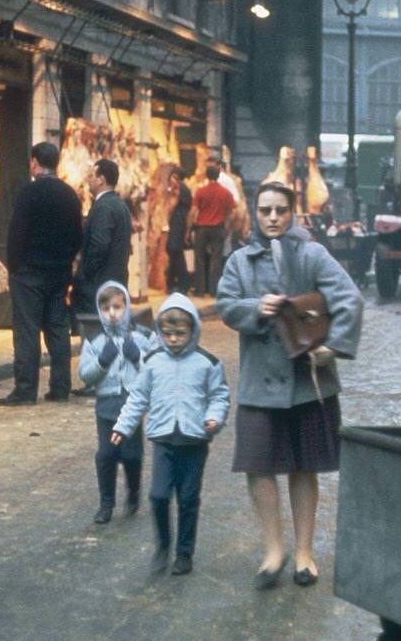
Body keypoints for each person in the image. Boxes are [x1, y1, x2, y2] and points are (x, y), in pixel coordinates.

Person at [216, 182, 363, 589]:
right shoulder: (240, 263)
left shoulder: (312, 254)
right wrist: (253, 308)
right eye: (265, 210)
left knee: (304, 466)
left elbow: (349, 299)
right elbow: (225, 304)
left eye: (281, 210)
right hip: (260, 381)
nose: (273, 218)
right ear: (255, 213)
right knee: (258, 466)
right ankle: (273, 550)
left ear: (292, 213)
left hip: (306, 381)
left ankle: (304, 554)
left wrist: (334, 347)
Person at [111, 294, 230, 577]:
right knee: (159, 495)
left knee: (188, 498)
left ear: (193, 331)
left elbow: (219, 396)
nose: (174, 339)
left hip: (194, 440)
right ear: (160, 333)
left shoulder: (207, 362)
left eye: (180, 333)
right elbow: (138, 397)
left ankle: (184, 553)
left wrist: (214, 418)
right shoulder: (152, 362)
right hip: (163, 438)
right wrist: (122, 426)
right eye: (167, 334)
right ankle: (163, 545)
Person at [0, 142, 83, 406]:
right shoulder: (70, 195)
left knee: (27, 330)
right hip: (58, 273)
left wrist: (15, 267)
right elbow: (77, 234)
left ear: (35, 162)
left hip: (29, 274)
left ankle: (25, 389)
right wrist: (67, 262)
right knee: (58, 329)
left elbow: (17, 233)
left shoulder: (29, 193)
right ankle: (60, 387)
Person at [77, 281, 156, 525]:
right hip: (106, 405)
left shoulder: (142, 337)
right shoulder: (94, 340)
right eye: (106, 308)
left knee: (132, 455)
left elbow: (156, 370)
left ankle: (133, 493)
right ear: (100, 311)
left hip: (132, 404)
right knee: (106, 455)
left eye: (117, 307)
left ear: (127, 307)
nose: (112, 313)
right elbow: (84, 374)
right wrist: (101, 362)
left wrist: (137, 358)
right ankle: (106, 503)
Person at [73, 158, 133, 322]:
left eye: (92, 175)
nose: (89, 180)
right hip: (115, 280)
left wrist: (86, 273)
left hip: (99, 285)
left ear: (101, 180)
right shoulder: (120, 205)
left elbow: (99, 245)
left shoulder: (104, 207)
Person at [187, 164, 235, 296]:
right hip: (218, 228)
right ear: (218, 175)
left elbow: (193, 211)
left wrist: (188, 230)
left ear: (206, 175)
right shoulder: (226, 193)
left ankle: (200, 290)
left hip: (202, 228)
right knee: (216, 259)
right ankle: (214, 290)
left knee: (200, 259)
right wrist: (228, 229)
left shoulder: (200, 191)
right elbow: (231, 213)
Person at [165, 168, 192, 295]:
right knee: (175, 252)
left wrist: (167, 216)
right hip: (180, 222)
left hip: (177, 222)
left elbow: (172, 205)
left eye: (173, 177)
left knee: (174, 251)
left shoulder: (178, 188)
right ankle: (176, 283)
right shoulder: (185, 188)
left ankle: (180, 284)